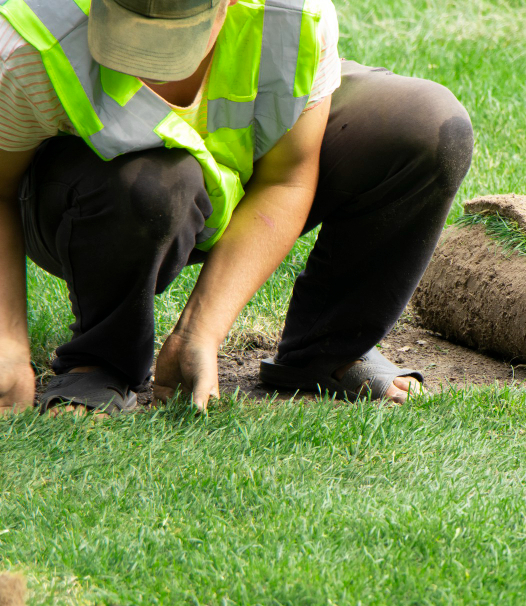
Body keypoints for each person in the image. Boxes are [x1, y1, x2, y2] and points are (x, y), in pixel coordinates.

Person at [0, 0, 473, 416]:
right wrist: (6, 343)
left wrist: (200, 331)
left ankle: (329, 350)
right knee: (158, 183)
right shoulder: (33, 39)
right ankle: (99, 362)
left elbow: (288, 176)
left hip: (239, 181)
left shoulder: (294, 16)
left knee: (424, 123)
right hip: (90, 205)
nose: (153, 64)